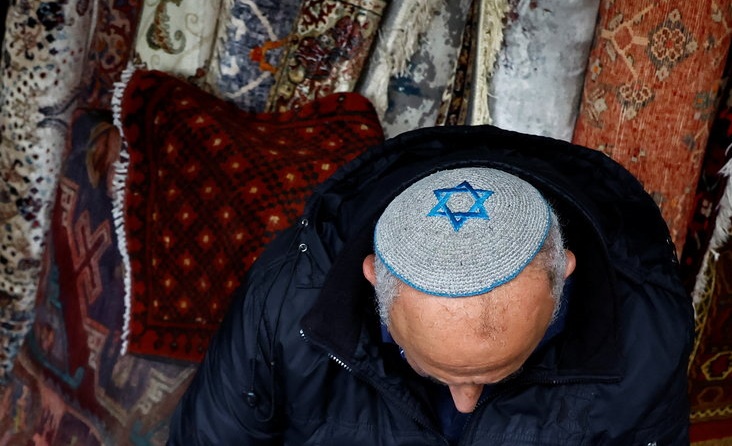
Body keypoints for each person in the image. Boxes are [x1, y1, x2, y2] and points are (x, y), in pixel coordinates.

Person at [168, 125, 694, 445]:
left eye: (501, 370)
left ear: (563, 275)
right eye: (431, 368)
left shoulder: (646, 329)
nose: (465, 403)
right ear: (374, 280)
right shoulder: (288, 302)